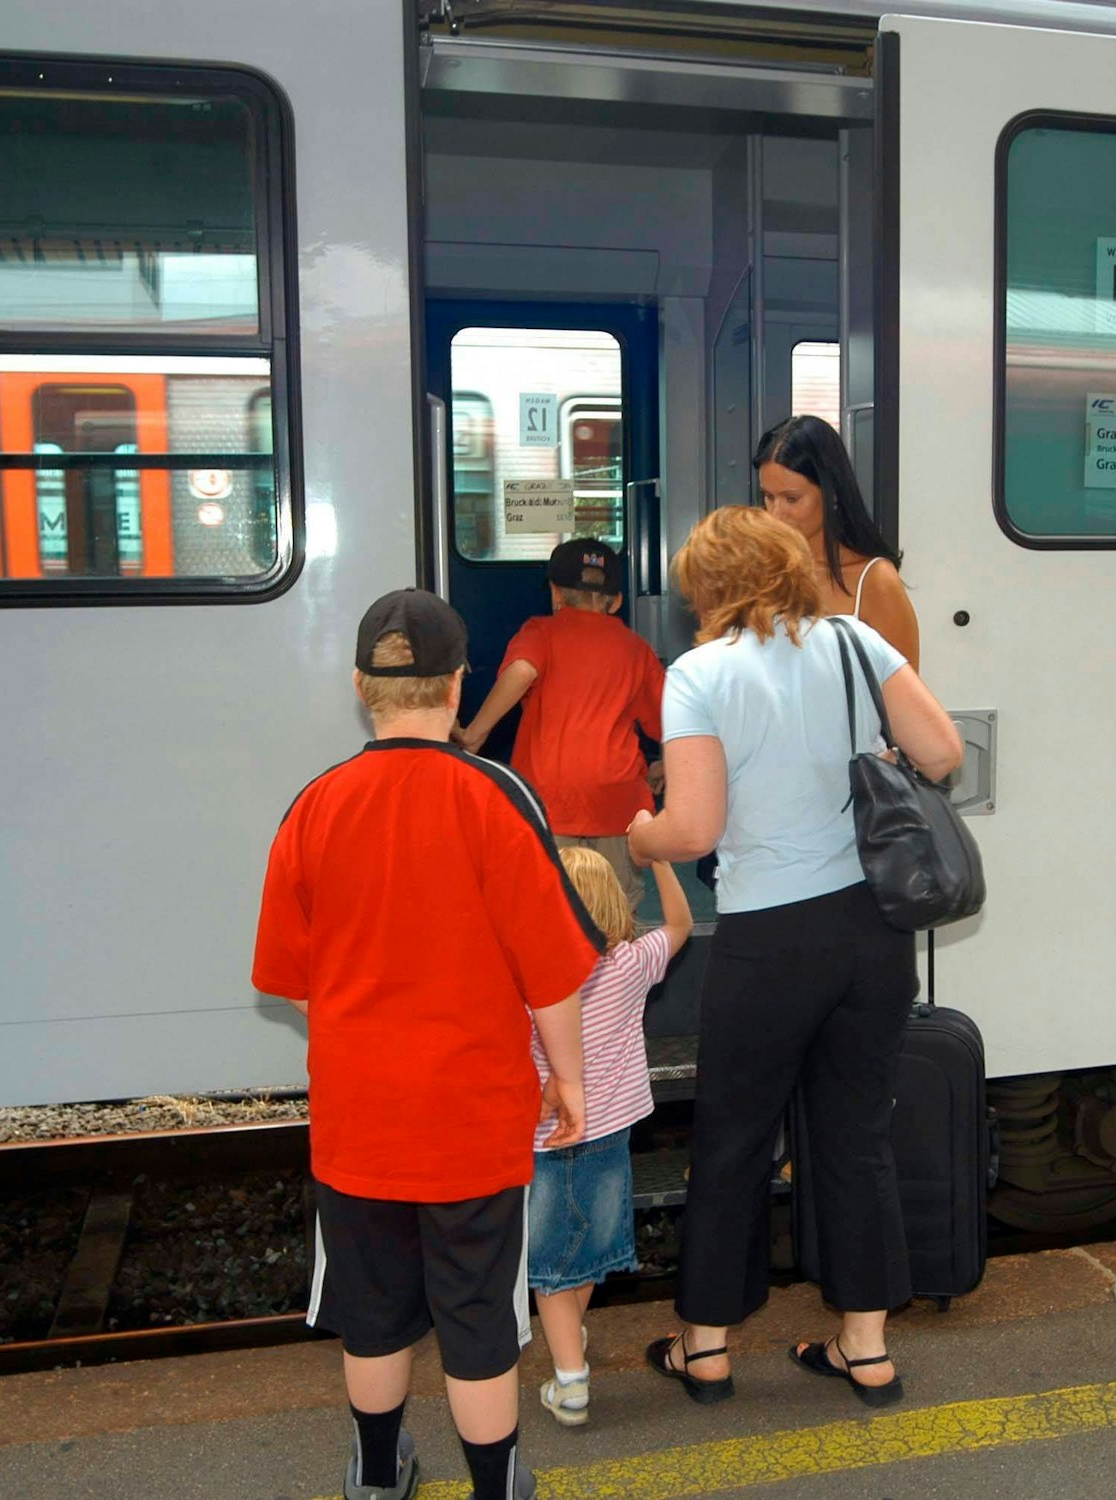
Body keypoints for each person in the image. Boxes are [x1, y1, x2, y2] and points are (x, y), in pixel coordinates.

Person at [253, 587, 603, 1500]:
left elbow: (289, 980)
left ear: (360, 685)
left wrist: (358, 1038)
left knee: (371, 1318)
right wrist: (569, 1081)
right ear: (457, 685)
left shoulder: (315, 805)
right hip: (473, 1120)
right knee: (480, 1317)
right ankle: (495, 1487)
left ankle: (377, 1477)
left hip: (358, 1122)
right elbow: (551, 972)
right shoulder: (497, 796)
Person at [625, 507, 962, 1409]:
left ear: (709, 588)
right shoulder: (856, 643)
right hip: (871, 935)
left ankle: (705, 1350)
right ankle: (866, 1349)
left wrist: (642, 834)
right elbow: (944, 752)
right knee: (854, 1137)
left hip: (769, 942)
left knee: (733, 1140)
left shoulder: (698, 674)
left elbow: (692, 826)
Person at [530, 846, 692, 1428]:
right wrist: (659, 859)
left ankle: (571, 1381)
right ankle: (570, 1338)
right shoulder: (632, 963)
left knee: (550, 1268)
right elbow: (680, 924)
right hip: (613, 1132)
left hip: (547, 1138)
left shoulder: (533, 978)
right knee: (590, 1250)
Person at [454, 538, 665, 907]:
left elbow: (521, 670)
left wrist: (475, 733)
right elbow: (671, 722)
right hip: (616, 803)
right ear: (615, 601)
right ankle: (617, 964)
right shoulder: (636, 649)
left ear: (555, 594)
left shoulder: (541, 633)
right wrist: (669, 766)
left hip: (550, 802)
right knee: (614, 908)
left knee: (550, 907)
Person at [755, 414, 921, 672]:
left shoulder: (875, 580)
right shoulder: (758, 574)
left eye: (791, 499)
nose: (776, 513)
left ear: (832, 493)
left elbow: (905, 700)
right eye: (768, 497)